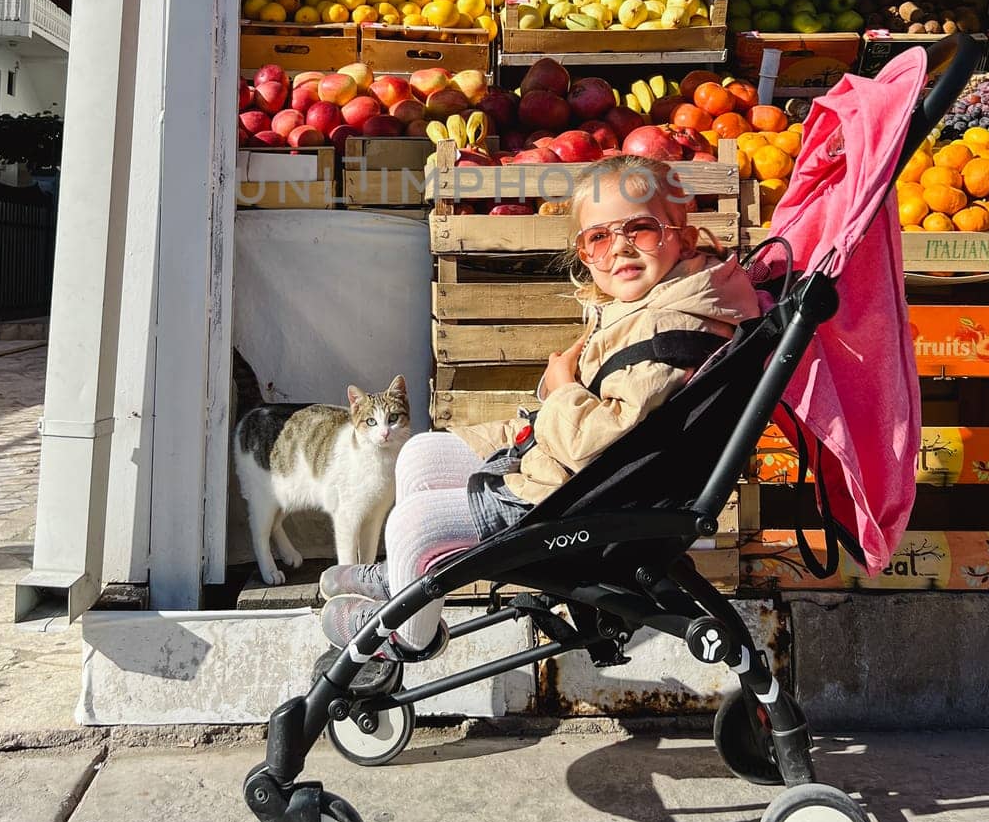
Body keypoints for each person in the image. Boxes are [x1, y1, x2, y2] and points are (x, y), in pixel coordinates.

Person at [318, 153, 760, 660]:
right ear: (585, 252)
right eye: (599, 237)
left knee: (410, 523)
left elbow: (596, 440)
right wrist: (551, 400)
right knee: (420, 453)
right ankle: (406, 579)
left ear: (680, 236)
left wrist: (561, 386)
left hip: (579, 500)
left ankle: (406, 637)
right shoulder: (648, 307)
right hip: (567, 473)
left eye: (640, 229)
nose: (619, 247)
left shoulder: (669, 331)